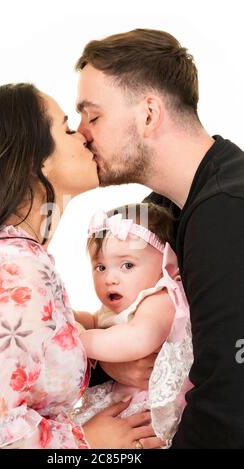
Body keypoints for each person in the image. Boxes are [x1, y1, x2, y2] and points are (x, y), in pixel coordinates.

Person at [0, 83, 154, 449]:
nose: (85, 138)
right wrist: (86, 442)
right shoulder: (13, 269)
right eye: (68, 129)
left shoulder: (2, 259)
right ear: (34, 161)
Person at [75, 29, 244, 448]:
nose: (81, 134)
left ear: (149, 114)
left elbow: (228, 400)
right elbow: (125, 323)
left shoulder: (226, 209)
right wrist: (115, 363)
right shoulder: (161, 212)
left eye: (93, 116)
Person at [74, 203, 193, 448]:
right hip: (124, 404)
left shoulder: (161, 297)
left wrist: (76, 340)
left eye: (127, 265)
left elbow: (137, 339)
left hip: (150, 411)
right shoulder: (119, 308)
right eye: (100, 267)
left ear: (164, 265)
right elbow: (95, 321)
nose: (110, 278)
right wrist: (66, 317)